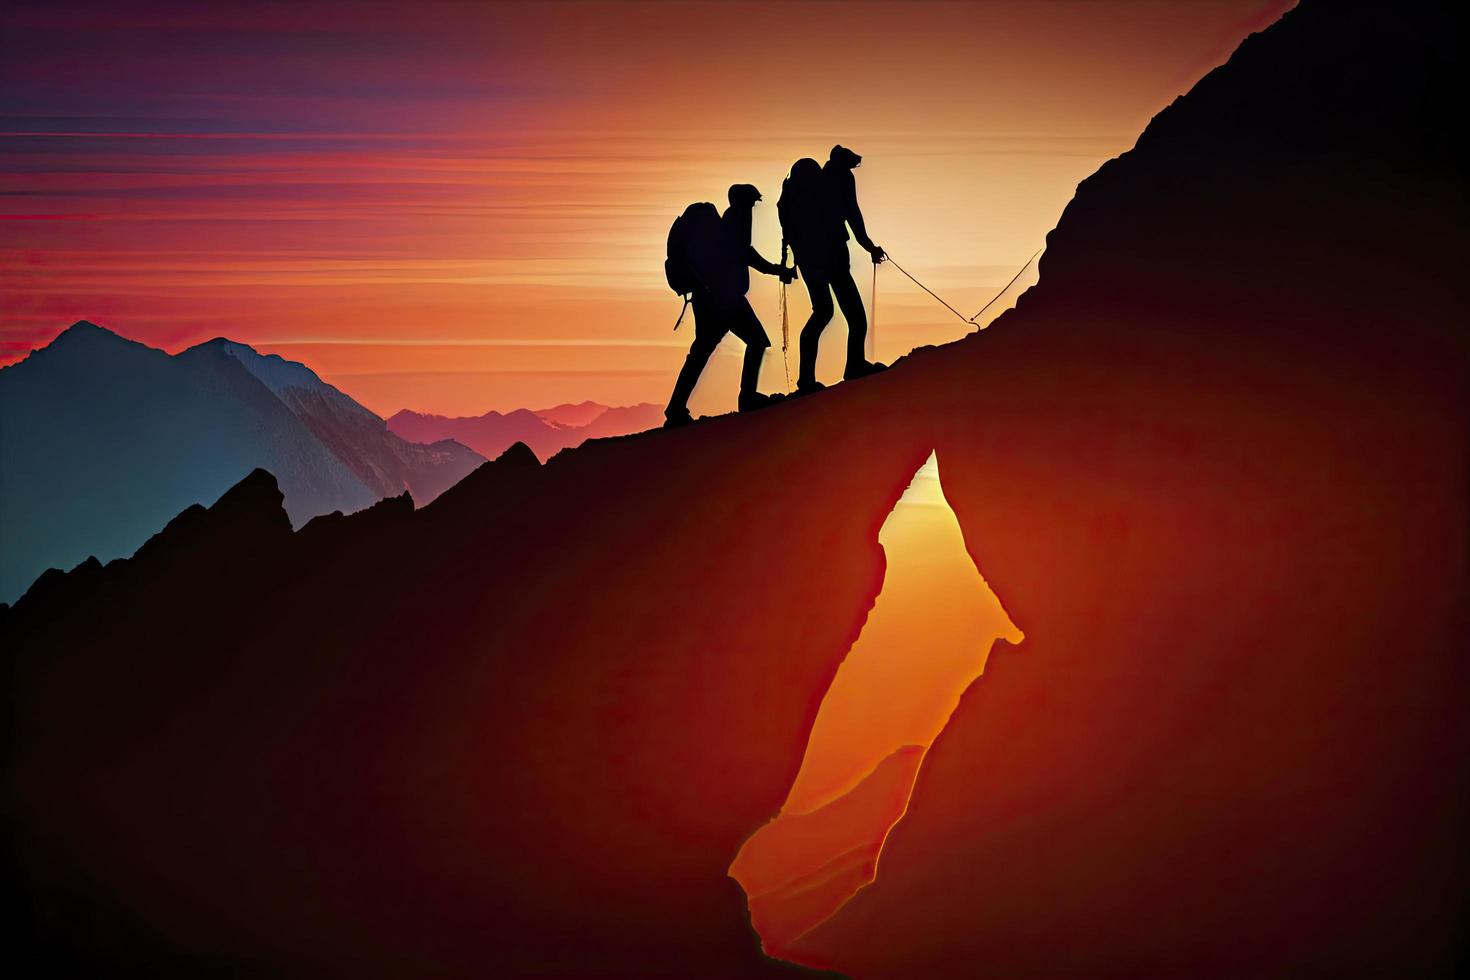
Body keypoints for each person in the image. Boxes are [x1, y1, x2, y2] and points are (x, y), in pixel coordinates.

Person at [663, 185, 796, 428]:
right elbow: (747, 255)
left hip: (710, 298)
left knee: (700, 353)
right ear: (743, 202)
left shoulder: (724, 225)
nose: (754, 207)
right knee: (755, 341)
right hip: (725, 299)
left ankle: (675, 408)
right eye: (752, 202)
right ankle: (747, 397)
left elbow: (745, 255)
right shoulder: (736, 221)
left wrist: (777, 270)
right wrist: (778, 270)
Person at [778, 145, 886, 394]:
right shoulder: (833, 184)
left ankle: (806, 380)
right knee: (856, 317)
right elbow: (853, 216)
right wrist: (870, 247)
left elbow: (791, 232)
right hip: (833, 258)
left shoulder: (796, 193)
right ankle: (854, 366)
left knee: (822, 312)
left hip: (808, 261)